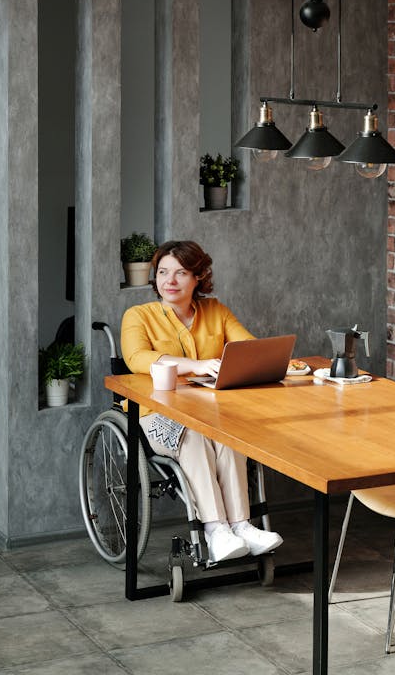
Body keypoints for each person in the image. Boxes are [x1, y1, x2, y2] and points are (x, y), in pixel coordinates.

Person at [121, 240, 284, 563]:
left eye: (181, 273)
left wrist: (282, 363)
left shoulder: (216, 312)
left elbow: (249, 348)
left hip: (212, 412)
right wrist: (194, 366)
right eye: (163, 272)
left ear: (199, 277)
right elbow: (137, 357)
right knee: (194, 434)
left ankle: (242, 525)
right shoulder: (138, 316)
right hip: (156, 415)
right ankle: (215, 529)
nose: (169, 281)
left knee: (229, 435)